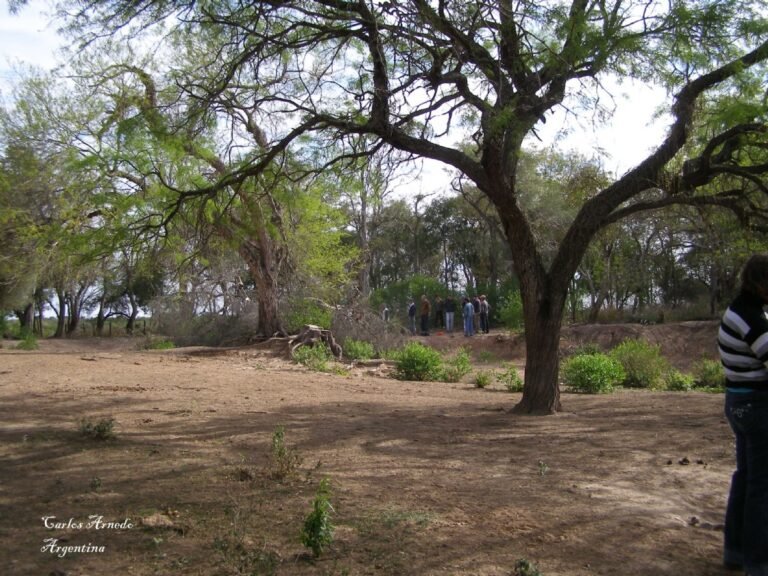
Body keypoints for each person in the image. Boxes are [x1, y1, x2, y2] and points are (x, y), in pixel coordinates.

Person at [718, 254, 768, 576]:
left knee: (746, 478)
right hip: (757, 408)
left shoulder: (738, 310)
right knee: (762, 487)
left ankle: (735, 552)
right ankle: (758, 563)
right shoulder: (751, 318)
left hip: (738, 403)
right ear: (762, 283)